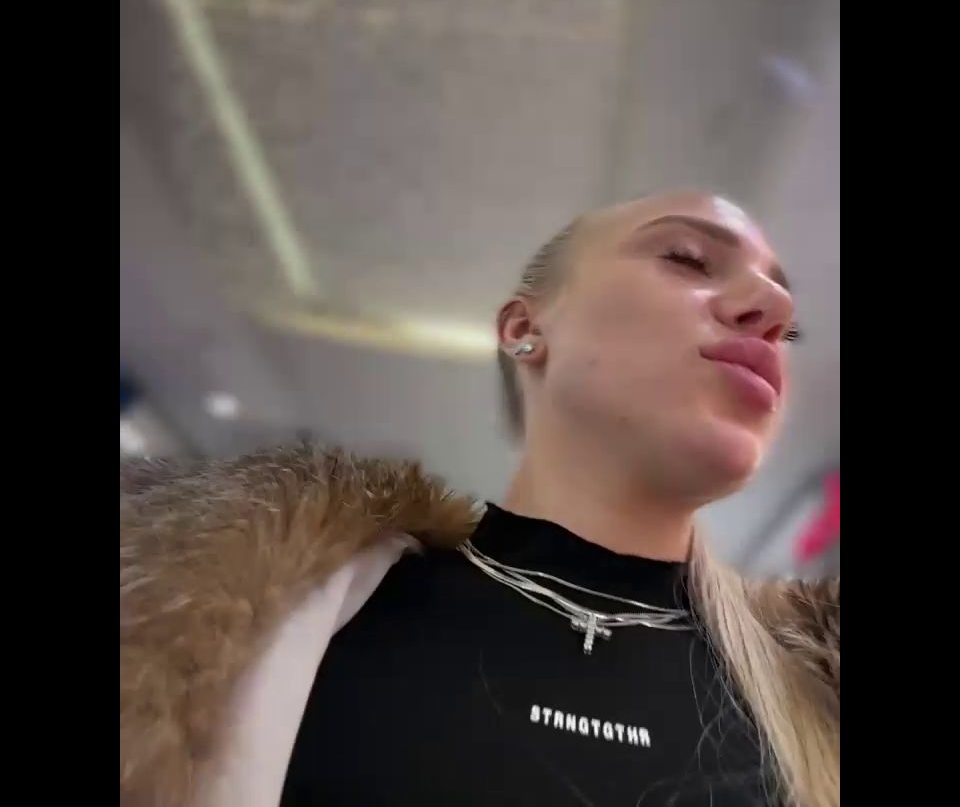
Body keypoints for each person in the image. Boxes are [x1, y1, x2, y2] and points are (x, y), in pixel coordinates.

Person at [120, 192, 839, 807]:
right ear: (525, 330)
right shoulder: (236, 611)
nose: (777, 308)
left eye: (789, 318)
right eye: (687, 258)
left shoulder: (814, 698)